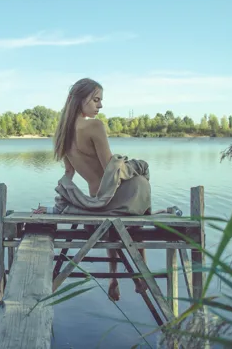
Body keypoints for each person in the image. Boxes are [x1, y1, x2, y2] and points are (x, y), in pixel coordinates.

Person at [33, 78, 149, 301]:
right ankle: (140, 275)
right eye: (96, 100)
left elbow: (68, 175)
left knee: (110, 228)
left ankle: (113, 278)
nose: (100, 106)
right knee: (141, 182)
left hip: (96, 202)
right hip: (115, 199)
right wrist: (132, 165)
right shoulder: (95, 126)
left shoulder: (62, 134)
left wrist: (58, 207)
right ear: (80, 100)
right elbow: (110, 168)